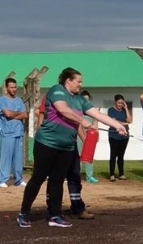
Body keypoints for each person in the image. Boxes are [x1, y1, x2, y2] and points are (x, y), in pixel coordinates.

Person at [17, 67, 127, 228]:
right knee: (38, 178)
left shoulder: (80, 100)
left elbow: (98, 115)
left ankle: (54, 215)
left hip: (67, 146)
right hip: (47, 143)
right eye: (78, 81)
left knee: (57, 180)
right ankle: (24, 213)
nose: (80, 85)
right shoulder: (57, 91)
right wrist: (83, 121)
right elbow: (63, 110)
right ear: (68, 80)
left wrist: (117, 125)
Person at [37, 94, 95, 220]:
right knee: (54, 178)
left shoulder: (74, 99)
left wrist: (85, 140)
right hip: (53, 144)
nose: (80, 85)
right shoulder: (51, 96)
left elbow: (78, 122)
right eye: (78, 82)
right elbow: (41, 116)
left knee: (74, 175)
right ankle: (53, 209)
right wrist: (41, 138)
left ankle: (78, 207)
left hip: (70, 144)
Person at [0, 78, 28, 188]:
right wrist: (17, 114)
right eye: (11, 87)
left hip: (18, 132)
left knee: (18, 158)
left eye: (15, 87)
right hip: (7, 132)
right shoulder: (2, 100)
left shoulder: (19, 101)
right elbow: (7, 114)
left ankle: (18, 179)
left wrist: (13, 114)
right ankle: (3, 179)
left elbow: (25, 115)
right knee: (6, 157)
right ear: (6, 88)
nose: (13, 89)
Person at [107, 94, 131, 181]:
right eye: (119, 103)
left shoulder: (124, 110)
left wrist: (126, 108)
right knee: (113, 155)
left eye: (122, 103)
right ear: (115, 102)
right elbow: (112, 121)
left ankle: (121, 174)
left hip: (124, 137)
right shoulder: (110, 110)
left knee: (121, 155)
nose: (120, 105)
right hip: (114, 136)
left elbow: (129, 120)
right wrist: (123, 124)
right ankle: (112, 175)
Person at [78, 90, 99, 183]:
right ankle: (75, 174)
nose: (86, 101)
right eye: (84, 99)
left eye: (87, 99)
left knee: (89, 155)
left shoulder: (92, 110)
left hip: (90, 134)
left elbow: (95, 122)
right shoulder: (78, 109)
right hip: (79, 134)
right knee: (78, 154)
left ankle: (89, 176)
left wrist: (97, 134)